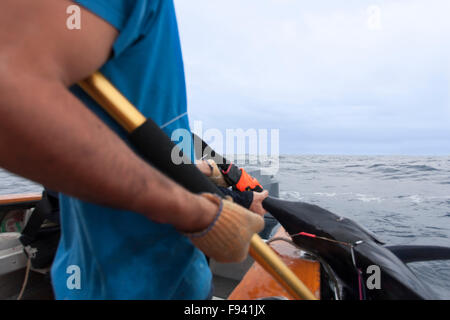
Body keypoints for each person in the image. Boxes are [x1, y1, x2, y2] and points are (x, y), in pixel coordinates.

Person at [0, 0, 268, 299]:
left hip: (184, 283)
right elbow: (10, 96)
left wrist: (206, 173)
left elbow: (142, 142)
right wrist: (197, 214)